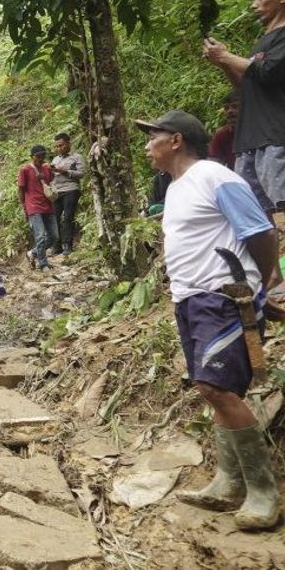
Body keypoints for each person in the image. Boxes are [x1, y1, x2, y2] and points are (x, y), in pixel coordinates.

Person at [137, 109, 281, 531]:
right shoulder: (177, 186)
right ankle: (228, 482)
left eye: (153, 136)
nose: (148, 145)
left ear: (176, 140)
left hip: (223, 297)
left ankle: (263, 493)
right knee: (217, 389)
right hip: (192, 300)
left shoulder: (216, 177)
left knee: (215, 385)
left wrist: (262, 285)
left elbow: (261, 231)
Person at [203, 0, 285, 213]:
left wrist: (227, 57)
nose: (254, 5)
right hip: (250, 140)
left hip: (276, 138)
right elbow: (246, 85)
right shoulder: (262, 43)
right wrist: (224, 63)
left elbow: (268, 71)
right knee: (253, 213)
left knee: (281, 209)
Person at [18, 145, 58, 270]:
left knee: (54, 236)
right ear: (32, 157)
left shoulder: (46, 169)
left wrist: (51, 167)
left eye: (43, 155)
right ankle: (43, 264)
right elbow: (20, 188)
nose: (41, 158)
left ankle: (33, 253)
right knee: (40, 236)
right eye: (38, 156)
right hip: (33, 206)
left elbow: (51, 180)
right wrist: (23, 205)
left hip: (47, 206)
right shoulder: (25, 169)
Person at [49, 133, 84, 254]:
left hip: (71, 189)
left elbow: (81, 173)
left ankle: (68, 245)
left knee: (68, 218)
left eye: (61, 145)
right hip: (56, 192)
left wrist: (64, 171)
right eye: (57, 146)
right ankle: (56, 246)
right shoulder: (55, 159)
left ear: (68, 144)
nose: (59, 148)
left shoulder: (77, 157)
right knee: (54, 218)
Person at [207, 90, 239, 170]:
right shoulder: (221, 135)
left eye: (235, 107)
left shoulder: (258, 131)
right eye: (226, 108)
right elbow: (214, 165)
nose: (230, 111)